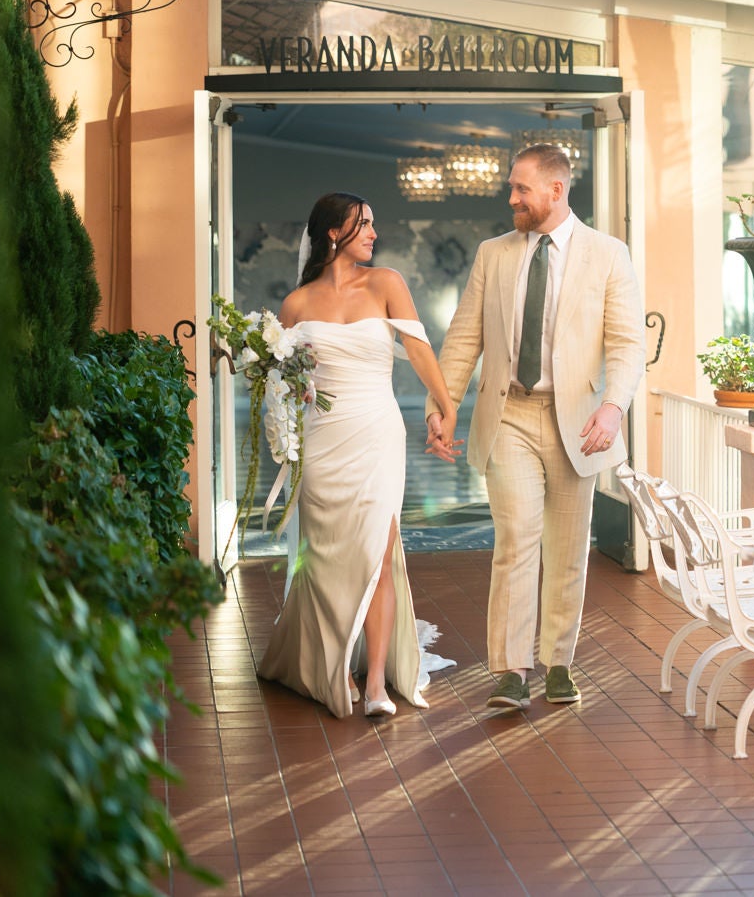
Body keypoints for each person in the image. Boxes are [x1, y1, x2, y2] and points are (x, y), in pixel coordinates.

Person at [433, 143, 646, 711]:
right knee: (516, 541)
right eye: (511, 187)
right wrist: (444, 404)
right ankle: (510, 669)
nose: (512, 198)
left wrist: (614, 406)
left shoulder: (608, 255)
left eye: (521, 188)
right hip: (511, 415)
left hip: (579, 421)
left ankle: (558, 662)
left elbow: (627, 344)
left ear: (556, 190)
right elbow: (464, 338)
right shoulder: (493, 254)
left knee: (568, 549)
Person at [258, 192, 461, 718]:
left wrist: (446, 407)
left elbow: (419, 349)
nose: (373, 233)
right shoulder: (297, 304)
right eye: (363, 224)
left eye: (373, 224)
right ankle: (334, 667)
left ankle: (374, 683)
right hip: (323, 442)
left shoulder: (387, 283)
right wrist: (290, 397)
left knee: (377, 550)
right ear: (332, 232)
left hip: (376, 433)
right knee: (324, 558)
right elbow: (282, 381)